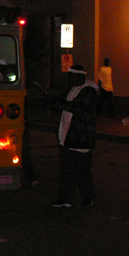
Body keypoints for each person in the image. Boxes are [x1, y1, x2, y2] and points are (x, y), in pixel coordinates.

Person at [51, 65, 99, 208]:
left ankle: (88, 197)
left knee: (82, 171)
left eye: (72, 76)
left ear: (80, 77)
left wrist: (57, 102)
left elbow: (75, 107)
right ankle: (65, 198)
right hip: (67, 137)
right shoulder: (71, 89)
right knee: (66, 170)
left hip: (81, 138)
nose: (70, 79)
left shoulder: (89, 92)